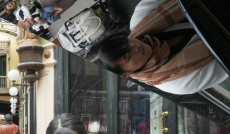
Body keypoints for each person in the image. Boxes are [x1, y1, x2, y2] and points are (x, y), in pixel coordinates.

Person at [92, 0, 228, 95]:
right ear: (126, 75)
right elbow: (224, 63)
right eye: (128, 56)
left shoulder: (141, 20)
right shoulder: (177, 82)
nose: (135, 46)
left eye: (125, 42)